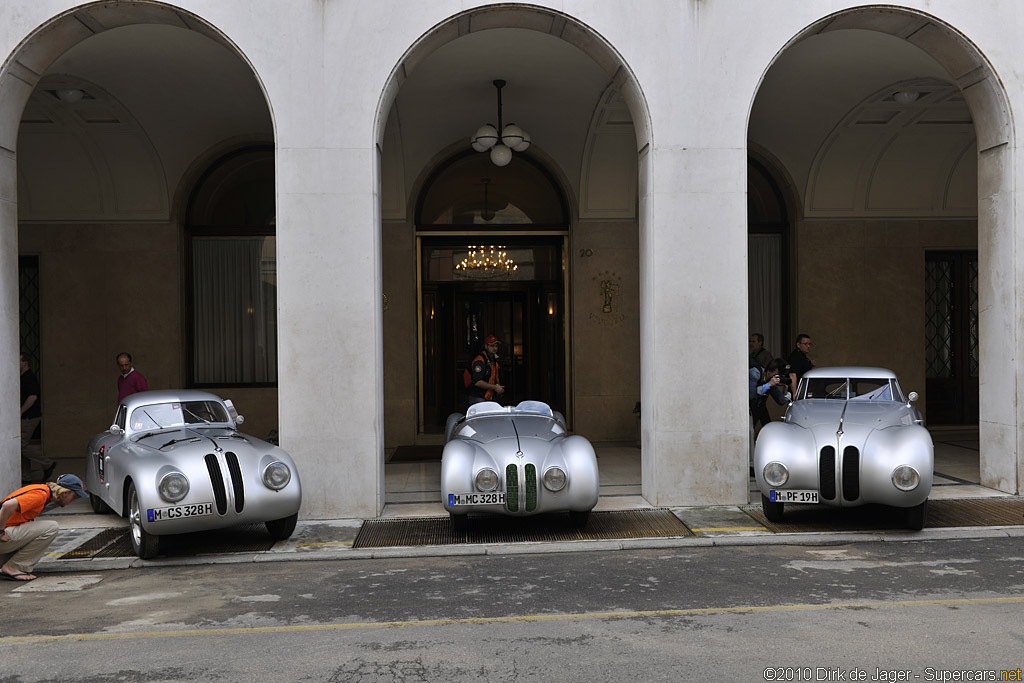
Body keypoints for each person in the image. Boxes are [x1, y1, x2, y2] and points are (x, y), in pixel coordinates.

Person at [0, 474, 89, 581]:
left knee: (32, 528)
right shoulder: (40, 495)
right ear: (65, 493)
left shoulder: (40, 489)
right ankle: (13, 567)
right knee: (51, 527)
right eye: (74, 496)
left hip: (7, 535)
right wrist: (1, 531)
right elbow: (7, 505)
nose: (73, 500)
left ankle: (6, 564)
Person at [20, 353, 55, 483]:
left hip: (29, 417)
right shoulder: (23, 377)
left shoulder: (29, 377)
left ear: (25, 362)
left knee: (21, 445)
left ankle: (47, 463)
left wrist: (21, 411)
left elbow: (32, 397)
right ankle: (26, 476)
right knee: (22, 446)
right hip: (27, 417)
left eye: (19, 360)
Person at [751, 357, 792, 429]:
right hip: (748, 408)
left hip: (760, 407)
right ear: (772, 371)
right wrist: (768, 384)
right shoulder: (756, 373)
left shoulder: (771, 381)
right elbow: (751, 394)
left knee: (768, 427)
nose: (778, 377)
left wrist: (785, 390)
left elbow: (780, 401)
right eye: (778, 374)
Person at [467, 335, 504, 405]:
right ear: (486, 346)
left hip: (490, 397)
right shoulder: (480, 360)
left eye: (496, 346)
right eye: (492, 346)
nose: (495, 348)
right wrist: (495, 387)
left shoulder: (494, 360)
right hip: (478, 397)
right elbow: (477, 382)